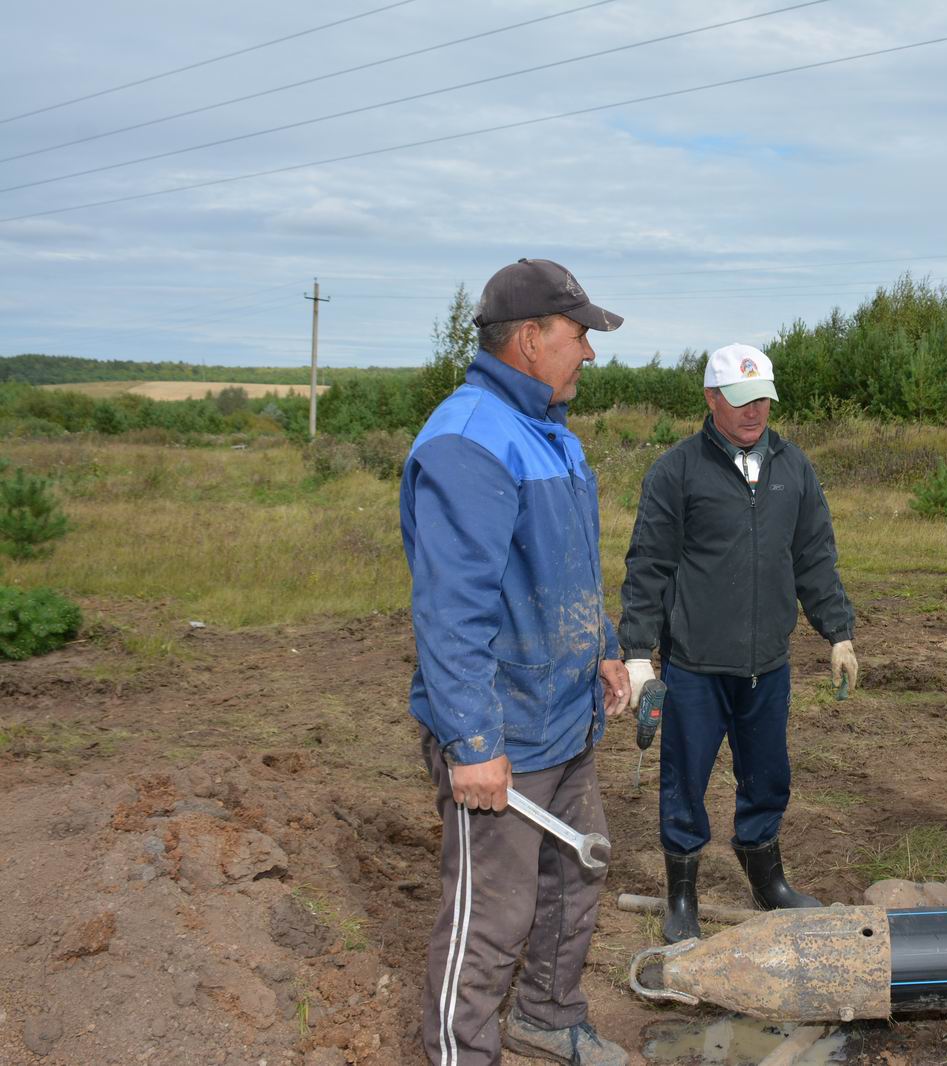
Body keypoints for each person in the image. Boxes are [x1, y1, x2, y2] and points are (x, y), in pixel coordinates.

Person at [400, 258, 631, 1066]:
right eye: (579, 336)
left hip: (563, 717)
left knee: (577, 872)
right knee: (492, 917)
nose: (590, 355)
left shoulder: (549, 434)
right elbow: (451, 609)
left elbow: (564, 566)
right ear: (531, 339)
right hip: (502, 727)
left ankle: (546, 1016)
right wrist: (472, 743)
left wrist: (602, 647)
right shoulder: (470, 441)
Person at [618, 343, 858, 943]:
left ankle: (766, 879)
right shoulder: (675, 472)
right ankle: (682, 897)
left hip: (767, 667)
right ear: (711, 399)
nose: (756, 411)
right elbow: (648, 566)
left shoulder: (793, 467)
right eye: (743, 400)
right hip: (695, 667)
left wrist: (839, 633)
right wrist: (639, 656)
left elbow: (814, 557)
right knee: (685, 783)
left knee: (767, 776)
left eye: (764, 399)